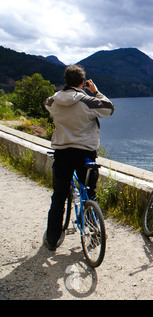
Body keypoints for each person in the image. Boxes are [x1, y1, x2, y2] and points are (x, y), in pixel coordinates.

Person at [43, 64, 114, 251]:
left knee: (58, 197)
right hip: (85, 154)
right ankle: (95, 233)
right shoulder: (87, 101)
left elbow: (46, 103)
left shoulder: (53, 101)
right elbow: (109, 109)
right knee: (89, 193)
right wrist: (96, 91)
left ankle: (52, 239)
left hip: (62, 153)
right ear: (83, 83)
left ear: (65, 81)